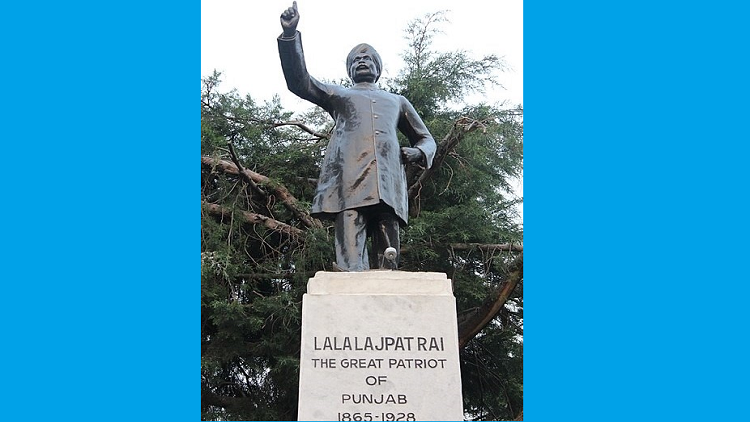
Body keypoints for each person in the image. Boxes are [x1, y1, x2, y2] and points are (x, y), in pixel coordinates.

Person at [278, 1, 436, 271]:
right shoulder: (340, 95)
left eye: (368, 59)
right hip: (349, 181)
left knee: (388, 240)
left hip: (388, 182)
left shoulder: (396, 101)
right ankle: (350, 273)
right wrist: (290, 36)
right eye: (356, 60)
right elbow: (300, 82)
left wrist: (419, 152)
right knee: (350, 235)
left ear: (377, 68)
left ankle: (388, 275)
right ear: (350, 70)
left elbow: (426, 138)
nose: (362, 62)